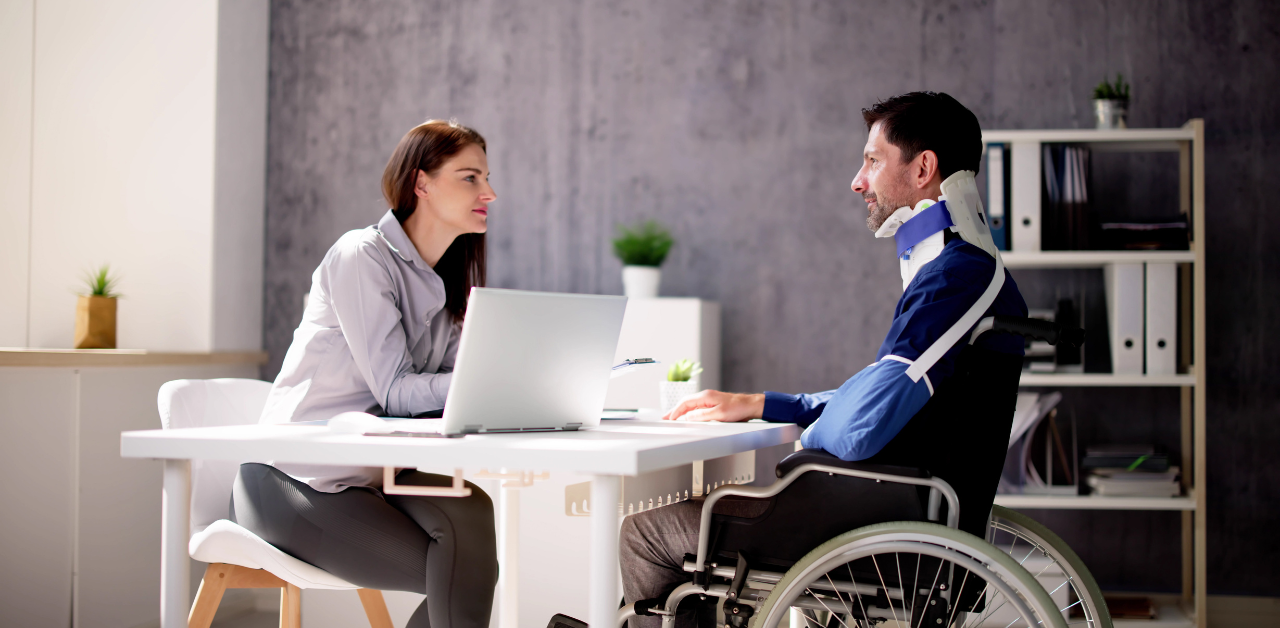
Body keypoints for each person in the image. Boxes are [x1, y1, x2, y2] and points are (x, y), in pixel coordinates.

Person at [617, 92, 1028, 628]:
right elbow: (885, 396)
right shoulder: (959, 274)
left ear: (924, 167)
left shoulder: (957, 276)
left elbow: (862, 424)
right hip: (887, 509)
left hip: (870, 524)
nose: (858, 181)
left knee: (644, 531)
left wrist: (811, 431)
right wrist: (765, 403)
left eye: (873, 161)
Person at [231, 120, 499, 628]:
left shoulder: (446, 281)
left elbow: (446, 392)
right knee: (463, 571)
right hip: (295, 476)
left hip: (376, 473)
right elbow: (398, 391)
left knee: (473, 511)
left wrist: (506, 385)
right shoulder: (361, 255)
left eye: (486, 177)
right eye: (470, 177)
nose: (489, 192)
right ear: (421, 183)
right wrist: (483, 380)